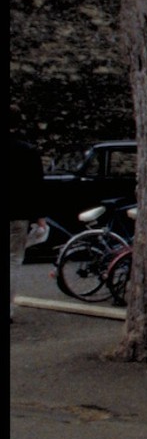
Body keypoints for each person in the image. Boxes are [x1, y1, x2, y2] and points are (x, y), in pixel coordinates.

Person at [10, 127, 50, 322]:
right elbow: (36, 186)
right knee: (13, 261)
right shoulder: (29, 152)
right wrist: (39, 217)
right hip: (18, 213)